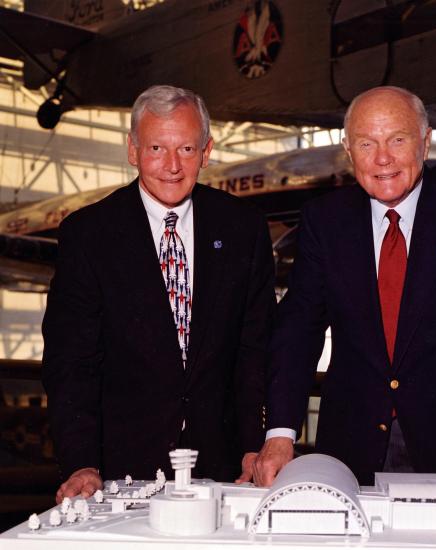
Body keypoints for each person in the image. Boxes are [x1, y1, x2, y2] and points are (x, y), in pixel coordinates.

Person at [252, 86, 436, 504]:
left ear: (425, 139)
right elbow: (298, 331)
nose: (382, 158)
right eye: (367, 143)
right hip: (348, 452)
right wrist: (279, 435)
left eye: (397, 140)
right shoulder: (324, 222)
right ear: (349, 150)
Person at [42, 85, 275, 503]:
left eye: (187, 149)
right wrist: (81, 462)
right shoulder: (88, 235)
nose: (172, 166)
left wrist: (254, 446)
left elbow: (254, 350)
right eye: (156, 148)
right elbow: (71, 363)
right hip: (119, 472)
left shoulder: (244, 229)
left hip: (224, 470)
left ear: (207, 151)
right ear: (132, 150)